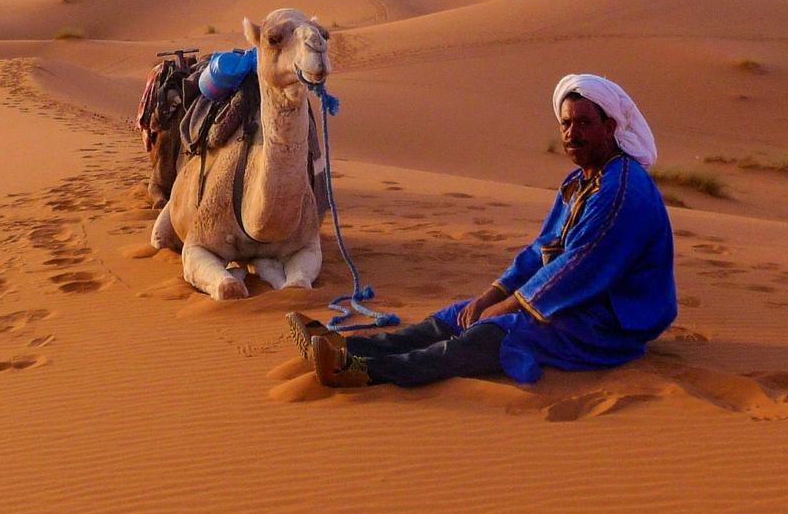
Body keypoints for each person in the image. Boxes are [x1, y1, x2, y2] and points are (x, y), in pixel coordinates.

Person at [287, 74, 677, 388]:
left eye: (584, 124)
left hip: (610, 323)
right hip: (575, 301)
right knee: (459, 314)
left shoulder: (622, 191)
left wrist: (505, 307)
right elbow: (541, 250)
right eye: (566, 123)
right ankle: (347, 347)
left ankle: (365, 372)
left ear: (609, 127)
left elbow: (577, 268)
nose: (572, 133)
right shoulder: (580, 182)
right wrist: (490, 295)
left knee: (494, 331)